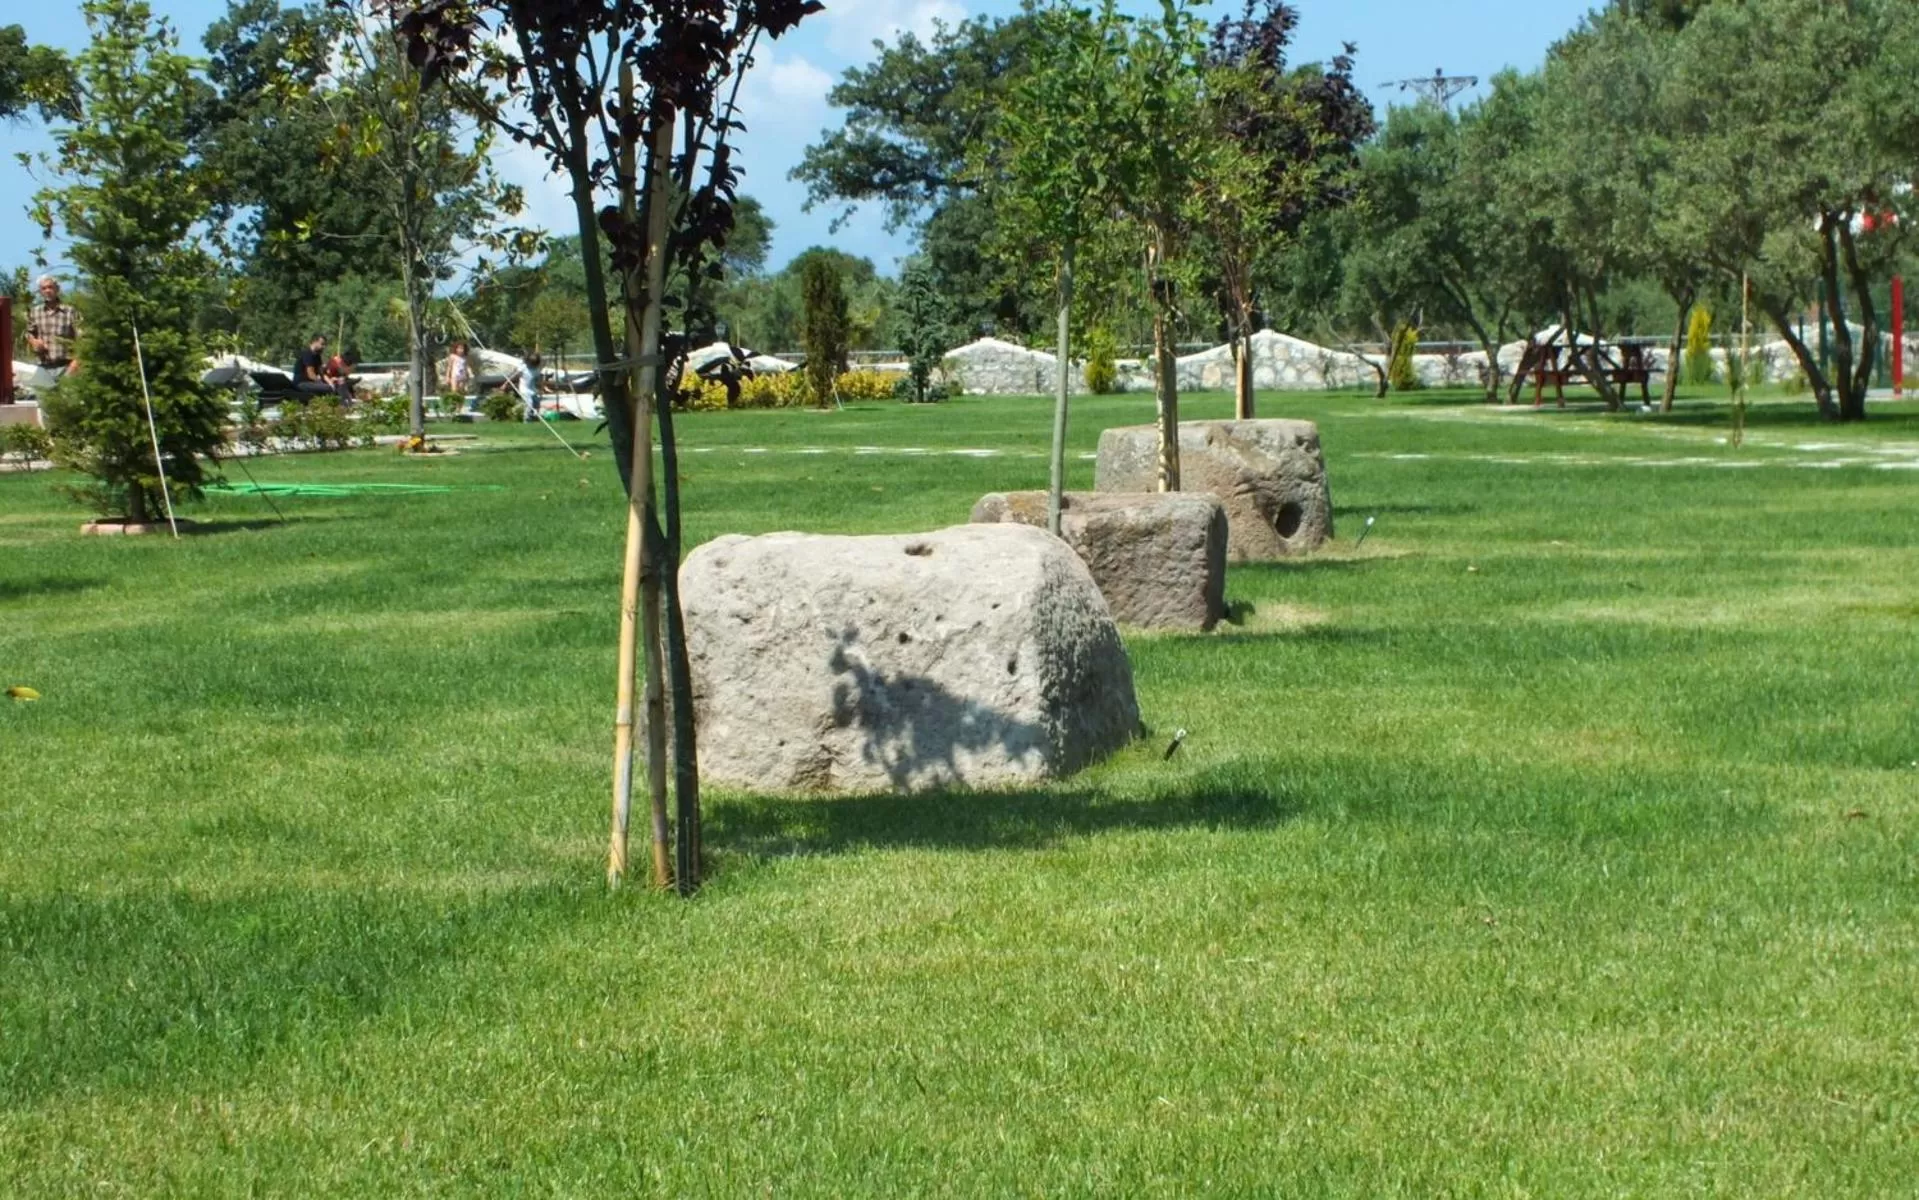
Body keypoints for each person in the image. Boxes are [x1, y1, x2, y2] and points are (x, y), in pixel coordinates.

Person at [26, 275, 81, 376]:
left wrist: (76, 361)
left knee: (66, 392)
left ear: (57, 289)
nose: (47, 290)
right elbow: (29, 333)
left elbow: (82, 339)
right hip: (43, 366)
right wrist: (34, 342)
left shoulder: (70, 311)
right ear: (40, 292)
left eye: (50, 287)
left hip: (66, 366)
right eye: (44, 288)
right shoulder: (35, 312)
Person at [294, 333, 340, 403]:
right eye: (322, 344)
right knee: (328, 388)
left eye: (325, 345)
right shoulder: (307, 353)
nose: (324, 347)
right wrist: (322, 383)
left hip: (311, 383)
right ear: (314, 342)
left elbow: (321, 372)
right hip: (302, 383)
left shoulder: (317, 356)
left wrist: (330, 382)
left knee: (335, 385)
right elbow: (311, 374)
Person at [445, 341, 474, 411]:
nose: (461, 350)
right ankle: (453, 406)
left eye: (462, 349)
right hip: (454, 375)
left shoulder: (465, 357)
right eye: (459, 348)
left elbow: (467, 366)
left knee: (461, 392)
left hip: (462, 376)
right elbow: (449, 367)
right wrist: (447, 377)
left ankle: (459, 407)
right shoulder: (452, 356)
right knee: (454, 391)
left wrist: (470, 373)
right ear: (456, 349)